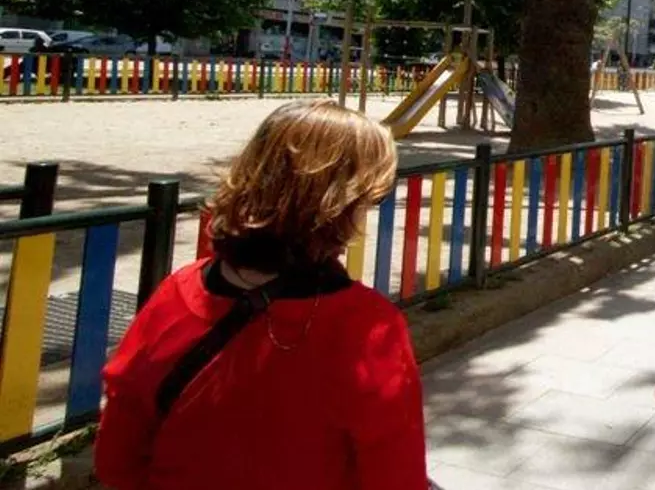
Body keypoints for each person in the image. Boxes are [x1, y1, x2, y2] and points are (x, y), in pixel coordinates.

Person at [96, 99, 429, 490]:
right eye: (372, 199)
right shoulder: (368, 328)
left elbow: (116, 457)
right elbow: (396, 476)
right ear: (341, 205)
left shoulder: (177, 293)